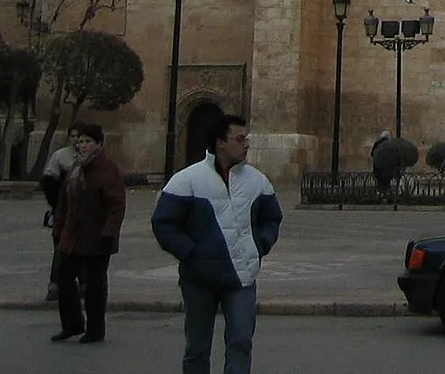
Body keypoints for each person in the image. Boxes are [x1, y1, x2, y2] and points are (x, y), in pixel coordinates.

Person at [153, 114, 283, 374]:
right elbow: (163, 223)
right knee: (197, 347)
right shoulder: (186, 180)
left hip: (242, 278)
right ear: (220, 142)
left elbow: (272, 218)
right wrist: (191, 253)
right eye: (239, 139)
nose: (246, 144)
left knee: (241, 342)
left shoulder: (258, 181)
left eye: (247, 138)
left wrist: (259, 246)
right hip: (199, 279)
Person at [51, 122, 126, 344]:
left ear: (99, 144)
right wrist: (59, 226)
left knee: (94, 284)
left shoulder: (106, 168)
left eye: (87, 142)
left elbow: (116, 203)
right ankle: (72, 324)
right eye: (80, 141)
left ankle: (95, 329)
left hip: (97, 235)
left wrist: (110, 230)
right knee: (63, 277)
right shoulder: (76, 168)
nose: (82, 145)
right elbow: (65, 200)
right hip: (73, 234)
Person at [40, 125, 84, 303]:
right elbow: (48, 181)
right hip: (64, 212)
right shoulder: (60, 157)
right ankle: (56, 284)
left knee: (83, 248)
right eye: (73, 136)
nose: (76, 140)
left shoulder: (89, 158)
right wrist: (57, 205)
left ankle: (82, 283)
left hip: (82, 213)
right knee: (61, 248)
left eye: (80, 137)